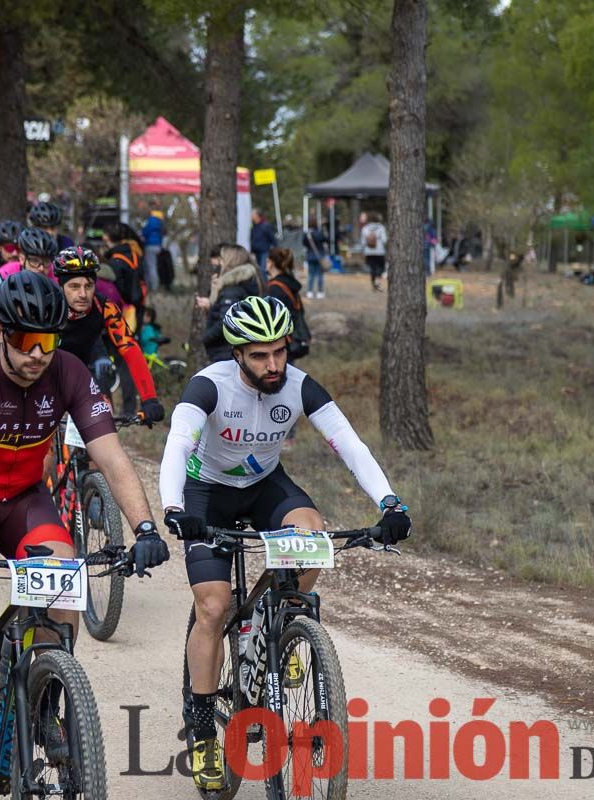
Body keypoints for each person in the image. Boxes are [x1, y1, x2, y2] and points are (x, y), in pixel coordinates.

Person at [0, 270, 169, 800]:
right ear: (0, 333)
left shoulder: (66, 372)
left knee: (64, 592)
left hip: (22, 502)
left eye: (49, 341)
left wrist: (145, 527)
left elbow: (112, 457)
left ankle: (43, 701)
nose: (38, 354)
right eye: (26, 341)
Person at [159, 295, 411, 791]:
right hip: (206, 492)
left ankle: (275, 617)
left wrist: (390, 503)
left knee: (310, 533)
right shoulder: (208, 386)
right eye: (259, 355)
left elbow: (349, 444)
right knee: (213, 607)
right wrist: (173, 509)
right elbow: (177, 445)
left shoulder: (298, 386)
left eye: (280, 351)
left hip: (264, 485)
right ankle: (205, 727)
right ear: (237, 354)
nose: (273, 365)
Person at [50, 246, 164, 422]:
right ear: (61, 285)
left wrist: (149, 400)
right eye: (74, 286)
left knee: (105, 422)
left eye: (89, 286)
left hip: (89, 369)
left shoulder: (104, 306)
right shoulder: (48, 305)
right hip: (51, 369)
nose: (82, 294)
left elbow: (130, 348)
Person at [0, 227, 59, 343]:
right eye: (34, 261)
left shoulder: (55, 275)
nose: (41, 267)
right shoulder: (5, 274)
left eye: (46, 262)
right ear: (21, 258)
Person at [198, 244, 263, 363]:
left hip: (226, 350)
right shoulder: (246, 283)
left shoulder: (232, 289)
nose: (219, 264)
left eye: (222, 260)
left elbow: (226, 322)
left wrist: (205, 338)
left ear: (230, 262)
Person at [265, 247, 309, 362]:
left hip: (280, 342)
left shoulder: (274, 288)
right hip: (290, 339)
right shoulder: (289, 284)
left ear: (271, 263)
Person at [360, 212, 388, 291]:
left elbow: (363, 242)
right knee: (381, 267)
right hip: (379, 251)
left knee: (372, 268)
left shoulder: (365, 228)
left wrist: (363, 249)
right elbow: (384, 240)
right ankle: (377, 282)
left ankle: (374, 284)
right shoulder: (381, 227)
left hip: (368, 251)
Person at [141, 201, 164, 292]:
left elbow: (145, 231)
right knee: (152, 266)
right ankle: (151, 285)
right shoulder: (160, 220)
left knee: (151, 267)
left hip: (150, 245)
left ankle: (153, 288)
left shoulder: (151, 220)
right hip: (158, 245)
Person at [249, 209, 277, 282]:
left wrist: (276, 248)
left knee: (263, 270)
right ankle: (262, 286)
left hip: (265, 252)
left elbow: (272, 238)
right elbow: (252, 239)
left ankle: (266, 288)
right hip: (256, 252)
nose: (251, 216)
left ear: (257, 216)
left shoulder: (266, 226)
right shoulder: (253, 227)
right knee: (258, 271)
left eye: (253, 214)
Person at [302, 217, 327, 299]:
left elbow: (304, 244)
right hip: (319, 256)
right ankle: (320, 292)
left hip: (310, 256)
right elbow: (325, 240)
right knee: (320, 275)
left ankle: (310, 291)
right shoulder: (319, 233)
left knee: (311, 275)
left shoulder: (307, 234)